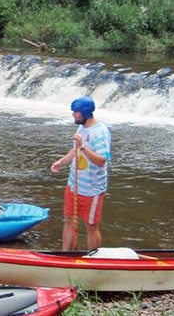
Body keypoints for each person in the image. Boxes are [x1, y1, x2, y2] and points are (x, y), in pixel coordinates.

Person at [50, 96, 111, 251]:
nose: (73, 115)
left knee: (91, 226)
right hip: (74, 186)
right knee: (69, 220)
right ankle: (65, 255)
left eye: (75, 112)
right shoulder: (81, 128)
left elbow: (102, 160)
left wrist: (83, 146)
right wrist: (61, 162)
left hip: (92, 189)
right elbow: (75, 150)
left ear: (84, 113)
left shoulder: (100, 132)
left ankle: (93, 258)